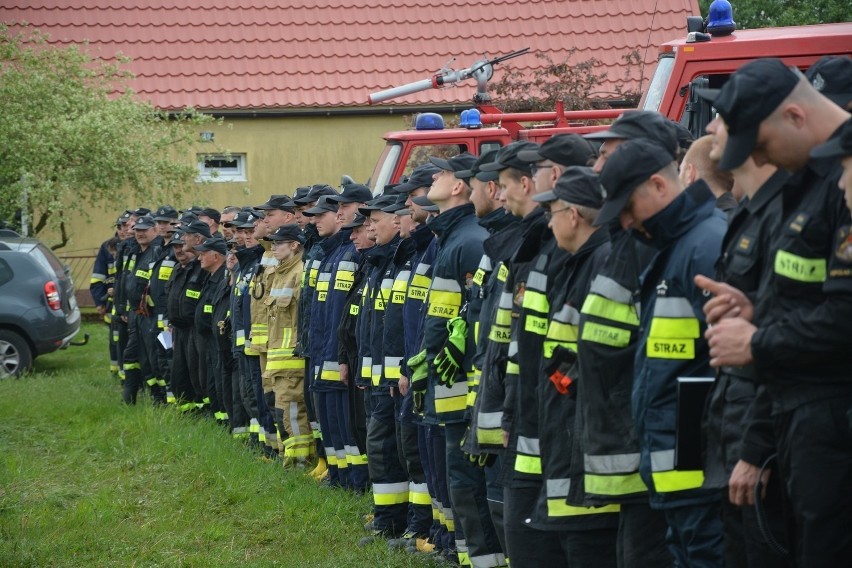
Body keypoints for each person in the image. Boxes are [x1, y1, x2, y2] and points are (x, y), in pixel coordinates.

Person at [697, 58, 852, 567]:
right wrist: (758, 311)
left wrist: (757, 341)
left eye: (760, 146)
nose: (763, 161)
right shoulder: (806, 178)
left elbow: (844, 316)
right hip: (799, 423)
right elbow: (811, 298)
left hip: (829, 420)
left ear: (795, 116)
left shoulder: (841, 177)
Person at [597, 139, 727, 567]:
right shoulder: (674, 244)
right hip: (678, 467)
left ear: (658, 184)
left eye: (629, 207)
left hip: (701, 470)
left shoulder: (704, 245)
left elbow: (727, 368)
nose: (628, 221)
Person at [694, 89, 794, 568]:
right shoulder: (749, 214)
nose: (711, 129)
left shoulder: (782, 215)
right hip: (732, 434)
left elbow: (794, 342)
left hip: (765, 443)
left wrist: (757, 448)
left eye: (720, 121)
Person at [528, 166, 619, 567]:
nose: (548, 223)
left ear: (574, 215)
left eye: (552, 212)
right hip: (568, 431)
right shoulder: (578, 261)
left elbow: (603, 355)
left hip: (587, 440)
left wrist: (561, 380)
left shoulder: (601, 261)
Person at [262, 224, 312, 467]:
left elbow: (303, 319)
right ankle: (289, 459)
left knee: (293, 413)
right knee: (283, 413)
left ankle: (301, 463)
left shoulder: (299, 273)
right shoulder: (280, 272)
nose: (273, 247)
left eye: (279, 243)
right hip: (278, 361)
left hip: (292, 361)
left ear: (294, 245)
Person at [120, 214, 164, 404]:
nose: (140, 234)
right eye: (137, 230)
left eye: (145, 230)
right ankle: (129, 397)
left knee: (152, 358)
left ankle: (159, 397)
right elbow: (126, 281)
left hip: (151, 315)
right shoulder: (135, 251)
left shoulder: (158, 251)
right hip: (135, 313)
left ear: (155, 230)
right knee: (131, 355)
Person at [678, 136, 738, 212]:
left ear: (690, 173)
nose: (678, 177)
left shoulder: (706, 221)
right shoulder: (744, 218)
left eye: (681, 170)